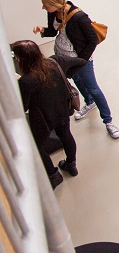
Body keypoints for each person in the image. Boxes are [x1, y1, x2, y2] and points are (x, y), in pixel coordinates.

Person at [33, 0, 119, 139]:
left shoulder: (79, 17)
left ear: (55, 4)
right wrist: (42, 30)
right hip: (63, 57)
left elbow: (92, 40)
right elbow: (53, 32)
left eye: (46, 6)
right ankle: (89, 102)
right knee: (77, 80)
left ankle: (108, 121)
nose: (44, 8)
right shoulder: (53, 13)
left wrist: (82, 61)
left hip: (80, 58)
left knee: (93, 88)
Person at [13, 40, 78, 188]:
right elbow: (80, 61)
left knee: (37, 146)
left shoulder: (26, 81)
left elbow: (23, 106)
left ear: (22, 59)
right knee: (66, 135)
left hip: (43, 119)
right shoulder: (54, 62)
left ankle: (54, 175)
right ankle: (71, 165)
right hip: (62, 110)